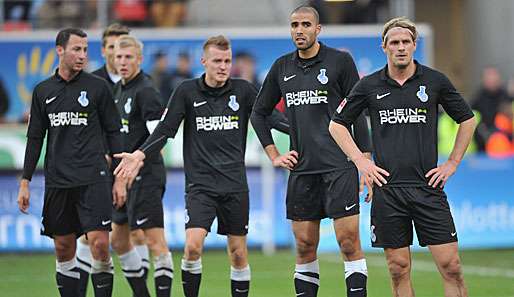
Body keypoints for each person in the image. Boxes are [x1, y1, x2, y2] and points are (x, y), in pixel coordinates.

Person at [114, 35, 288, 297]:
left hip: (234, 185)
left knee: (238, 253)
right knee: (192, 247)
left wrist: (312, 131)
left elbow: (273, 118)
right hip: (200, 186)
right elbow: (165, 129)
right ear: (203, 61)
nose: (223, 66)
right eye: (217, 60)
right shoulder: (186, 91)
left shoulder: (244, 90)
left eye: (227, 61)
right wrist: (139, 155)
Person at [328, 17, 476, 297]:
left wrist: (453, 163)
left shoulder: (434, 81)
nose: (400, 47)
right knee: (398, 268)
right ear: (384, 47)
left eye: (406, 42)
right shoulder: (369, 85)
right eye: (394, 42)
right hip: (388, 191)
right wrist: (361, 162)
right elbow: (336, 125)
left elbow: (467, 120)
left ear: (414, 45)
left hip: (427, 188)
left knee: (452, 265)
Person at [250, 6, 371, 297]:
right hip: (302, 170)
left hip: (338, 167)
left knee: (348, 242)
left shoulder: (340, 62)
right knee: (304, 246)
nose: (299, 30)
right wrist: (273, 155)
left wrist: (365, 162)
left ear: (318, 29)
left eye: (306, 24)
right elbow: (259, 113)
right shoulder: (281, 67)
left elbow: (358, 113)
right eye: (294, 25)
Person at [17, 28, 126, 297]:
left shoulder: (97, 88)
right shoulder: (43, 91)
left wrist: (120, 177)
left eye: (85, 50)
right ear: (60, 50)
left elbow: (114, 131)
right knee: (64, 248)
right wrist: (25, 181)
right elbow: (35, 138)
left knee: (100, 245)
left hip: (94, 177)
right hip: (59, 180)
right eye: (77, 49)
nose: (82, 56)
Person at [112, 35, 173, 297]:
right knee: (118, 239)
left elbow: (158, 139)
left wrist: (135, 166)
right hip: (124, 176)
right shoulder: (119, 90)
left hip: (145, 175)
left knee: (155, 242)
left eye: (128, 57)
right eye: (119, 57)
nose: (123, 62)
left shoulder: (146, 90)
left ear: (139, 59)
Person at [471, 66, 511, 152]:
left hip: (505, 145)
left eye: (494, 76)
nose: (492, 79)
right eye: (489, 76)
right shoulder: (477, 98)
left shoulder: (507, 97)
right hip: (482, 145)